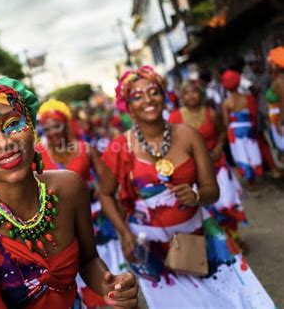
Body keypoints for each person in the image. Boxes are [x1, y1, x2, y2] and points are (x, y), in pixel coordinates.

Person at [0, 78, 138, 309]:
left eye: (13, 123)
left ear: (32, 128)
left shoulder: (70, 188)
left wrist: (111, 287)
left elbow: (88, 261)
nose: (3, 143)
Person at [99, 66, 274, 308]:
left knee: (234, 299)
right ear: (127, 106)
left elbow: (212, 191)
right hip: (151, 248)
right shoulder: (119, 147)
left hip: (199, 236)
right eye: (137, 96)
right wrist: (124, 232)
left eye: (153, 92)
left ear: (164, 96)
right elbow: (105, 194)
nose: (148, 100)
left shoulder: (188, 135)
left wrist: (196, 195)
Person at [36, 98, 126, 307]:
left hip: (95, 220)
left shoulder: (85, 149)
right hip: (62, 225)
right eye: (46, 128)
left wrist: (94, 188)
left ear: (66, 124)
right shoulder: (38, 153)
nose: (52, 132)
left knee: (109, 272)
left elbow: (107, 183)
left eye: (56, 126)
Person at [169, 81, 248, 249]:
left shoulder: (211, 113)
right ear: (182, 97)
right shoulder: (175, 118)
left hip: (217, 165)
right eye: (187, 93)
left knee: (226, 202)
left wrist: (219, 147)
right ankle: (219, 244)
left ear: (201, 94)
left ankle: (233, 237)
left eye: (194, 92)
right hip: (193, 172)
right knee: (207, 209)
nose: (191, 96)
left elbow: (221, 132)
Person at [221, 69, 263, 191]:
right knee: (252, 152)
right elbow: (253, 114)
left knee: (242, 156)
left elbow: (225, 122)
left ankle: (251, 182)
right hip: (248, 129)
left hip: (235, 133)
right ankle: (255, 174)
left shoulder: (226, 103)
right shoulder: (247, 98)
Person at [267, 46, 284, 165]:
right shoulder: (278, 79)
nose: (269, 63)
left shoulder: (280, 82)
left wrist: (279, 123)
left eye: (271, 61)